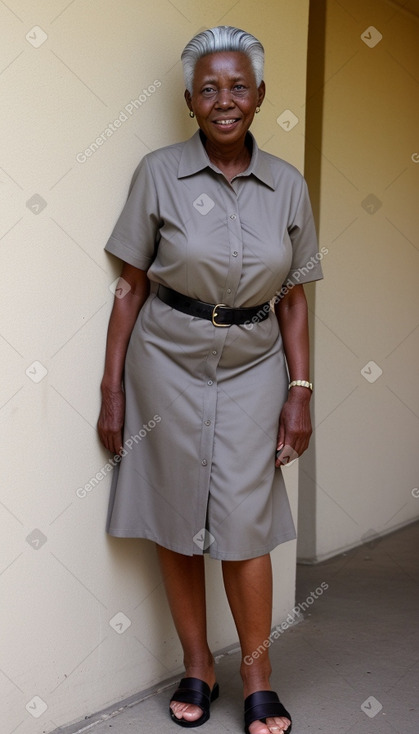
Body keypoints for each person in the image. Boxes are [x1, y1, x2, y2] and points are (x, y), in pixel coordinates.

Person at [98, 25, 323, 734]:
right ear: (189, 100)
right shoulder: (157, 173)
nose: (223, 100)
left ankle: (257, 675)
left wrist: (299, 393)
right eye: (207, 89)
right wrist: (113, 393)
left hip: (255, 365)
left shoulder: (287, 184)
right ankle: (198, 665)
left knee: (243, 524)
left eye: (236, 87)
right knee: (174, 517)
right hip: (164, 361)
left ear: (259, 96)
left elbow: (293, 296)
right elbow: (129, 288)